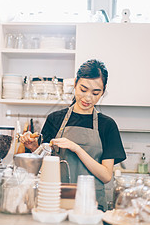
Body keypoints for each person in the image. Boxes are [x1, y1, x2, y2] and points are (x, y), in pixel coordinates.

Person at [19, 59, 126, 211]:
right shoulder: (55, 119)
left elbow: (106, 175)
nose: (88, 98)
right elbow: (45, 166)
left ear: (104, 90)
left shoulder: (107, 125)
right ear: (75, 83)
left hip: (91, 206)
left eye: (96, 93)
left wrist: (76, 148)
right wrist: (34, 147)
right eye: (83, 89)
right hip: (55, 202)